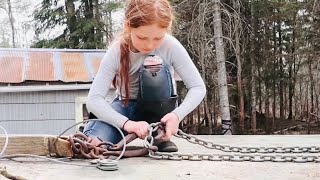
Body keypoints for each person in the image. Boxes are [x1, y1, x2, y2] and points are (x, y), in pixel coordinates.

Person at [84, 0, 206, 152]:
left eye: (157, 39)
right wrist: (127, 124)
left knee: (155, 70)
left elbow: (198, 87)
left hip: (158, 108)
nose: (149, 45)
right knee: (93, 144)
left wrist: (176, 115)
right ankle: (98, 129)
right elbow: (94, 99)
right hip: (124, 107)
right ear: (128, 26)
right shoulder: (116, 51)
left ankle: (158, 134)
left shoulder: (171, 46)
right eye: (142, 38)